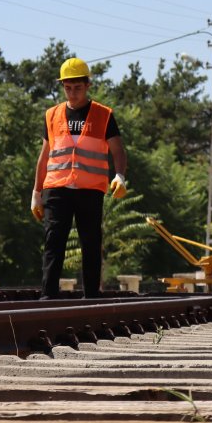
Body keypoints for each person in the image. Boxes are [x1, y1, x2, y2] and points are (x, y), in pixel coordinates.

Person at [31, 57, 128, 300]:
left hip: (89, 190)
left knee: (91, 243)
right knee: (54, 242)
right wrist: (36, 193)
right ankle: (48, 296)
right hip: (57, 189)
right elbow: (44, 157)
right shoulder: (52, 115)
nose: (72, 93)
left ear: (87, 86)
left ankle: (91, 295)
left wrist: (120, 176)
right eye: (67, 87)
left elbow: (118, 150)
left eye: (77, 87)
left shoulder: (103, 115)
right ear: (63, 87)